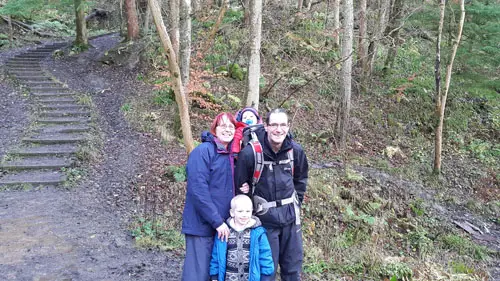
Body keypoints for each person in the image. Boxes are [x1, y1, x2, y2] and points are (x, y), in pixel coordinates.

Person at [235, 108, 309, 281]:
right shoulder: (250, 154)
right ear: (266, 126)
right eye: (274, 124)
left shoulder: (295, 152)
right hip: (264, 222)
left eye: (283, 125)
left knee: (292, 270)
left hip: (291, 221)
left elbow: (301, 180)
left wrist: (296, 204)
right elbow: (240, 186)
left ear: (288, 127)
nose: (278, 129)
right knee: (265, 272)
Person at [181, 112, 237, 281]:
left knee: (215, 273)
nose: (227, 129)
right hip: (202, 225)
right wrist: (217, 221)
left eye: (231, 126)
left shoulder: (231, 155)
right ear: (214, 129)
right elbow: (198, 190)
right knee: (197, 274)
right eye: (223, 125)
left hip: (222, 227)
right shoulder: (203, 151)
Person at [210, 195, 274, 281]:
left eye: (248, 211)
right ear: (232, 213)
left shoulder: (258, 233)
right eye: (240, 211)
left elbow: (265, 256)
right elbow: (216, 255)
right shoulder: (225, 232)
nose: (244, 215)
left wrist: (266, 276)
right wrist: (214, 275)